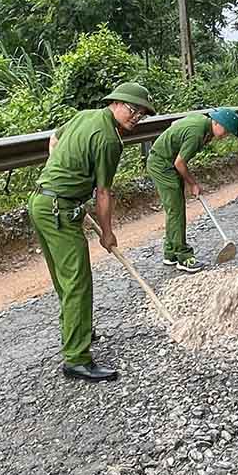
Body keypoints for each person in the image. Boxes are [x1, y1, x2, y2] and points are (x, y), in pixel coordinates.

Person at [29, 82, 156, 382]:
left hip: (41, 201)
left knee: (65, 279)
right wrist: (107, 234)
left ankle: (78, 328)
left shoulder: (85, 115)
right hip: (59, 209)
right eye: (133, 109)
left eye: (142, 114)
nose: (136, 117)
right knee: (78, 282)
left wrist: (62, 175)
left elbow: (54, 139)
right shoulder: (110, 140)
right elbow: (103, 192)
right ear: (117, 103)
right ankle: (76, 359)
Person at [147, 108, 238, 273]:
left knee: (174, 208)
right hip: (162, 165)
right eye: (226, 131)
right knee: (176, 210)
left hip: (166, 163)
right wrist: (192, 184)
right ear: (217, 123)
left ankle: (170, 253)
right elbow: (180, 163)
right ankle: (184, 258)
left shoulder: (202, 124)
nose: (225, 135)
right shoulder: (197, 133)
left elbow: (175, 126)